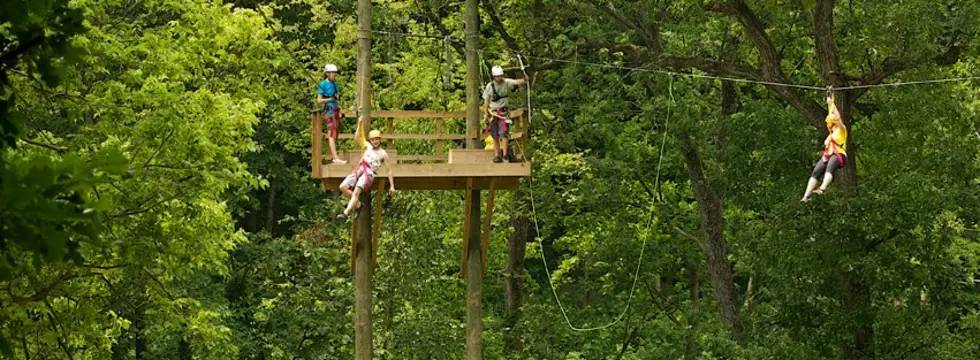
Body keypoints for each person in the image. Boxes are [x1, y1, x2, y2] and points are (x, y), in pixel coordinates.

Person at [337, 124, 396, 220]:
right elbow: (356, 137)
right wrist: (359, 124)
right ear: (370, 141)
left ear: (380, 140)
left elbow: (389, 170)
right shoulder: (367, 146)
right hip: (360, 169)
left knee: (356, 192)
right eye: (373, 139)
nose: (375, 141)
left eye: (377, 139)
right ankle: (358, 204)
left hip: (369, 173)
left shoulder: (383, 154)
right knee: (342, 187)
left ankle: (346, 213)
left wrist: (392, 186)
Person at [801, 92, 848, 202]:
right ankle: (806, 196)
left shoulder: (842, 130)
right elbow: (830, 112)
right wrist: (829, 104)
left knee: (829, 168)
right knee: (816, 172)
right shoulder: (830, 134)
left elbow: (838, 117)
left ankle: (822, 188)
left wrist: (832, 103)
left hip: (839, 154)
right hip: (828, 155)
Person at [483, 66, 526, 163]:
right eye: (498, 76)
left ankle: (505, 155)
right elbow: (486, 101)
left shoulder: (506, 82)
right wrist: (486, 114)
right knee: (495, 135)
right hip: (493, 112)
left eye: (501, 76)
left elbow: (515, 82)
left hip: (503, 112)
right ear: (494, 76)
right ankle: (497, 156)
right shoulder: (490, 86)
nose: (500, 78)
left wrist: (524, 79)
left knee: (504, 134)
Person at [317, 64, 346, 164]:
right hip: (329, 112)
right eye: (332, 73)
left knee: (336, 134)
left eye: (335, 73)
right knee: (331, 134)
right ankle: (335, 158)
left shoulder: (335, 84)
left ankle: (335, 156)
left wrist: (341, 110)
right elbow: (319, 100)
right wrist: (329, 99)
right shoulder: (323, 84)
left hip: (336, 110)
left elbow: (337, 99)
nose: (334, 75)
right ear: (327, 73)